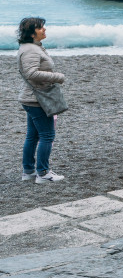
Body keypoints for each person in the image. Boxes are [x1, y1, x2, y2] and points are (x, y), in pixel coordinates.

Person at [16, 17, 66, 183]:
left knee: (33, 136)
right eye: (40, 27)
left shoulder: (32, 47)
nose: (44, 29)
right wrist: (57, 77)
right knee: (47, 135)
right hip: (37, 99)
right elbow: (31, 73)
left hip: (33, 98)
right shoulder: (31, 50)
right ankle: (43, 173)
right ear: (31, 33)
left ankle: (29, 171)